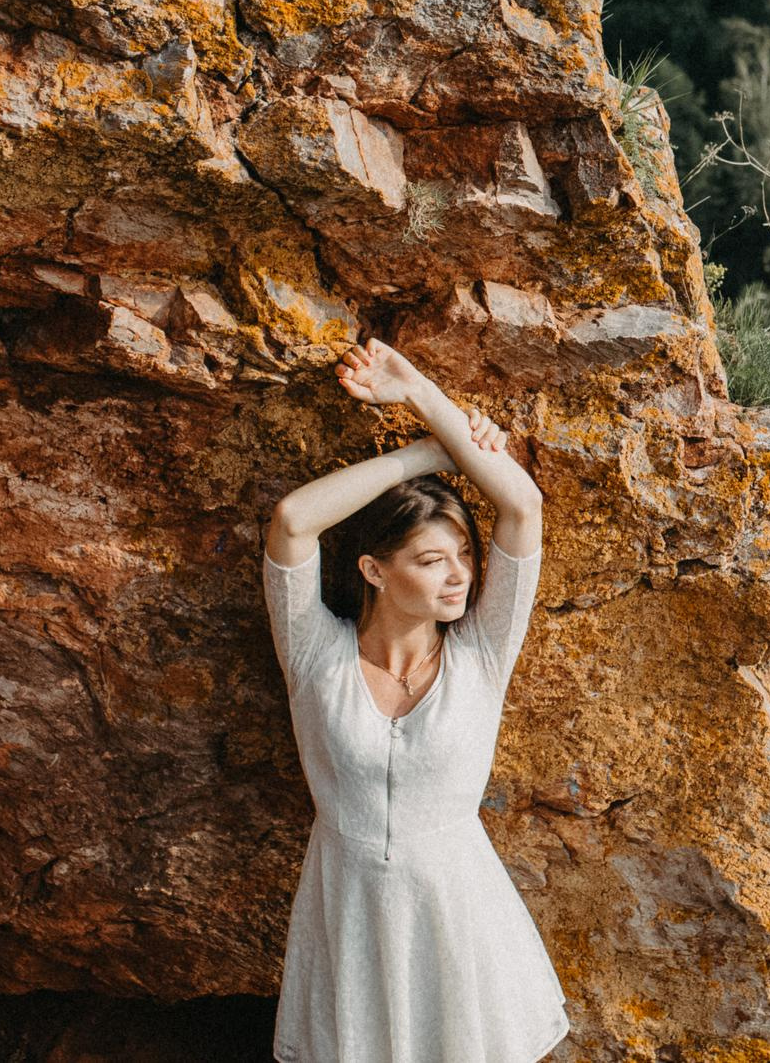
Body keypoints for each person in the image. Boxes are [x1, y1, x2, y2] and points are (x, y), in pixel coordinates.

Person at [260, 336, 570, 1063]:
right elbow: (293, 520)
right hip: (353, 931)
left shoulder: (481, 654)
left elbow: (522, 505)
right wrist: (429, 454)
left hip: (459, 929)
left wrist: (422, 394)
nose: (458, 576)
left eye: (464, 555)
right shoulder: (315, 653)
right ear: (373, 567)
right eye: (432, 560)